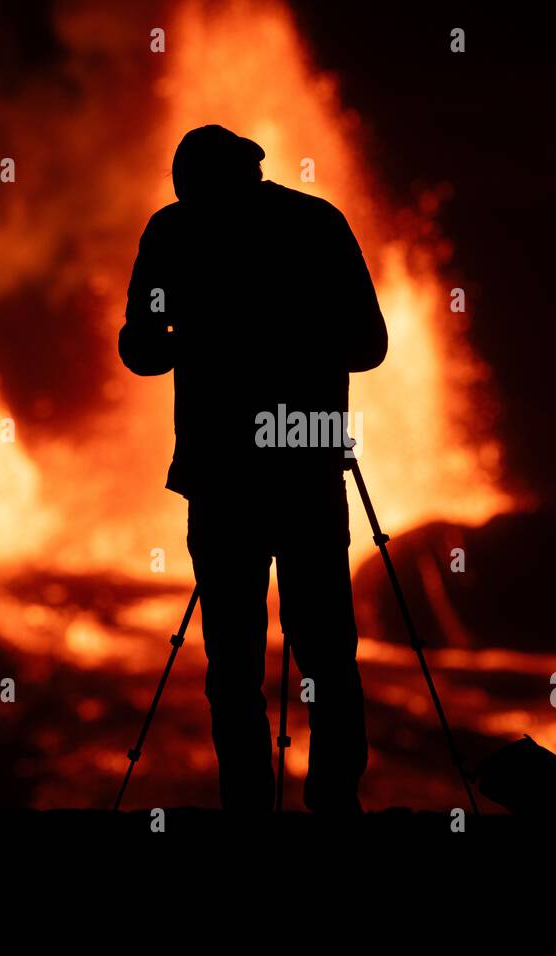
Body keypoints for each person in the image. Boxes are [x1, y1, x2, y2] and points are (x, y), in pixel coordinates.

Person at [119, 125, 388, 813]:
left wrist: (196, 336)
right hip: (305, 467)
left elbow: (143, 350)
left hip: (221, 474)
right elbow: (368, 345)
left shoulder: (172, 232)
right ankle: (334, 806)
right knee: (327, 651)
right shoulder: (318, 222)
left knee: (231, 661)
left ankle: (245, 807)